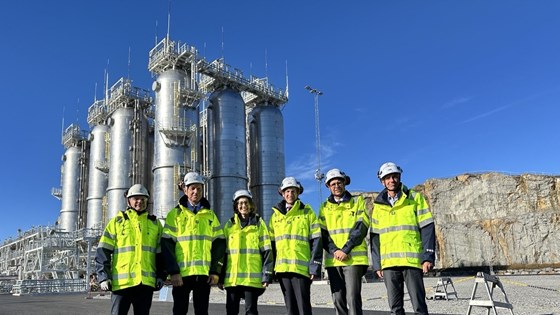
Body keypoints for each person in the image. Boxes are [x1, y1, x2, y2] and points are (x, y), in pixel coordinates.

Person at [370, 162, 436, 315]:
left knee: (419, 306)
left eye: (394, 176)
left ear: (399, 177)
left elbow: (427, 228)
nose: (391, 180)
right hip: (389, 264)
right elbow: (375, 237)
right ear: (382, 181)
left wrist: (428, 256)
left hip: (411, 261)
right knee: (395, 308)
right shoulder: (378, 206)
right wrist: (377, 264)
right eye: (387, 177)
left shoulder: (415, 198)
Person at [161, 172, 226, 315]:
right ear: (185, 190)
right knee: (179, 311)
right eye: (192, 188)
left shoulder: (210, 215)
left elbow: (219, 245)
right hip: (181, 275)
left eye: (199, 188)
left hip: (203, 274)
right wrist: (173, 272)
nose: (196, 191)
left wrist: (215, 271)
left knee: (202, 311)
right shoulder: (175, 215)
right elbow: (167, 245)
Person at [95, 184, 165, 315]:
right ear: (129, 201)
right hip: (121, 284)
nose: (140, 202)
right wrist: (103, 276)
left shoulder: (155, 224)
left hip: (145, 284)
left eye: (143, 199)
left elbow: (160, 255)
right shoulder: (117, 222)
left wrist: (161, 275)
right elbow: (103, 251)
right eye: (136, 198)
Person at [319, 168, 370, 315]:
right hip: (333, 260)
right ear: (328, 186)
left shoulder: (357, 202)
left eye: (339, 182)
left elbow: (361, 227)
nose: (336, 186)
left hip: (353, 258)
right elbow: (323, 233)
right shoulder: (324, 208)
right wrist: (335, 250)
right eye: (333, 183)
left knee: (353, 298)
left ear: (344, 183)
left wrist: (345, 249)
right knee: (338, 299)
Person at [269, 176, 322, 315]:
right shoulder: (275, 216)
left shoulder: (307, 212)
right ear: (282, 193)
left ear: (298, 193)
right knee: (290, 308)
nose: (290, 194)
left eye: (293, 191)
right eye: (287, 191)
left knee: (303, 307)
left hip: (301, 269)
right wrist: (271, 269)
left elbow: (316, 240)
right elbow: (271, 244)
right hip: (282, 269)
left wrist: (314, 267)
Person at [219, 189, 274, 315]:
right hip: (233, 279)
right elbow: (223, 254)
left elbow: (267, 251)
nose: (243, 206)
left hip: (251, 278)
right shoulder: (229, 225)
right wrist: (220, 277)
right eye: (240, 203)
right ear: (236, 207)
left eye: (246, 202)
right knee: (231, 311)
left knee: (251, 312)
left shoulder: (259, 224)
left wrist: (266, 275)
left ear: (251, 205)